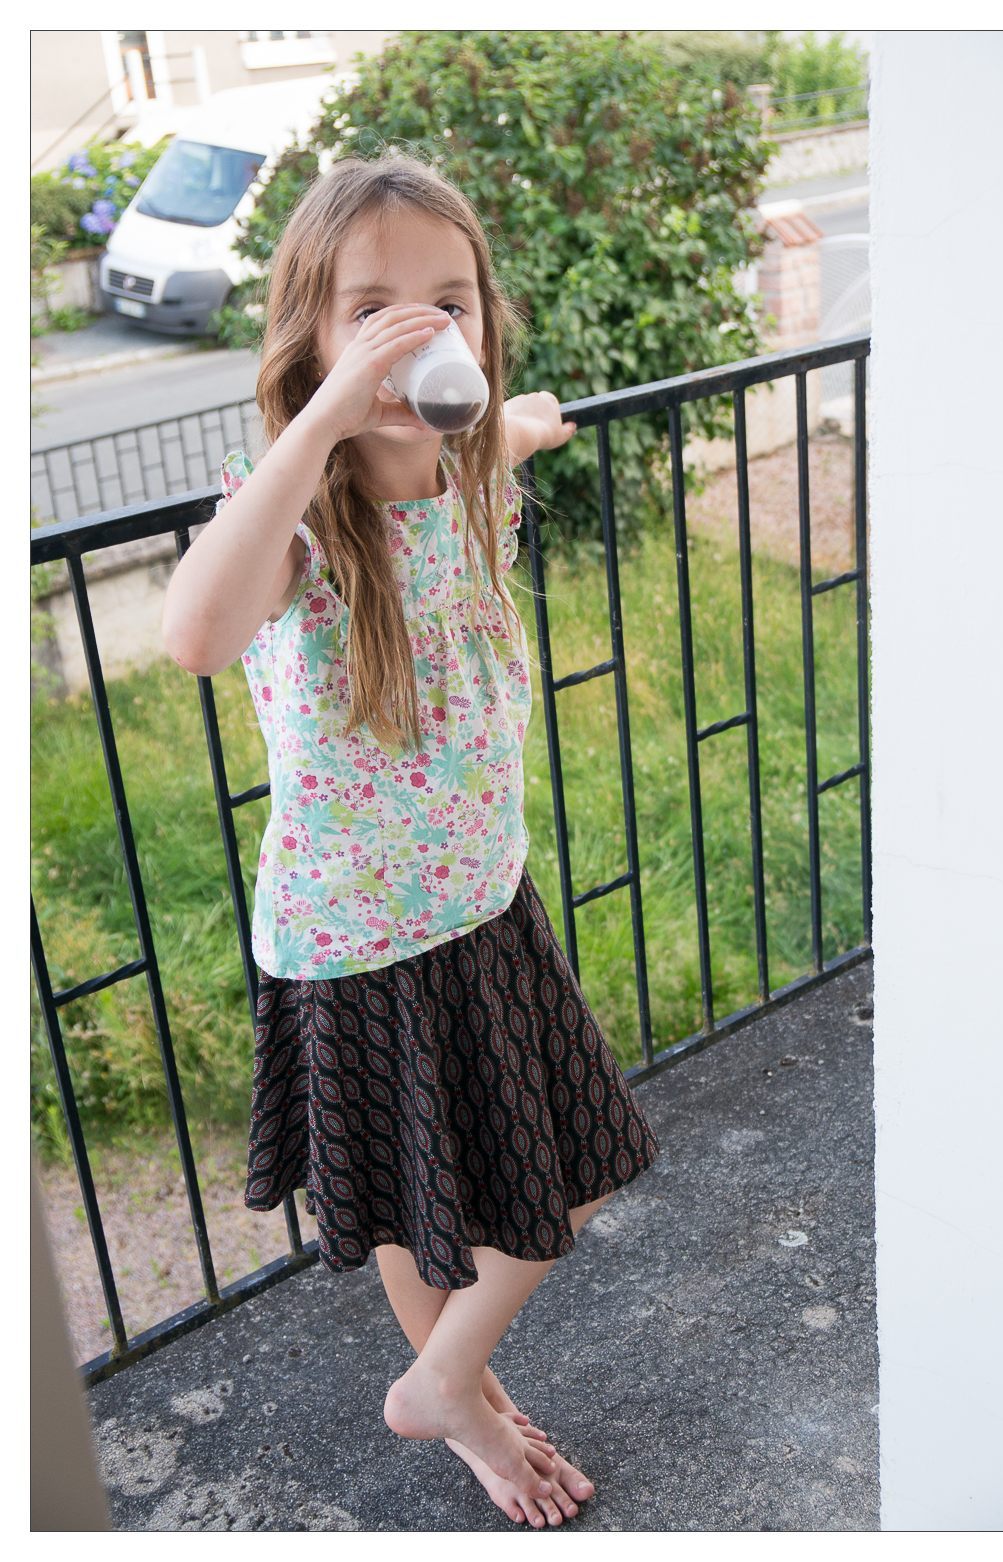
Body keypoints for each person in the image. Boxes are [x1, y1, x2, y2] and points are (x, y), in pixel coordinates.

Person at [162, 150, 662, 1530]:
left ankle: (444, 1381)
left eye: (450, 302)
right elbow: (194, 636)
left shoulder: (469, 471)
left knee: (575, 1155)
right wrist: (324, 419)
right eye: (371, 309)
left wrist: (529, 418)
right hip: (356, 940)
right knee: (413, 1207)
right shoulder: (299, 523)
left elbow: (515, 425)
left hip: (482, 901)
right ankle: (464, 1402)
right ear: (311, 336)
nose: (416, 332)